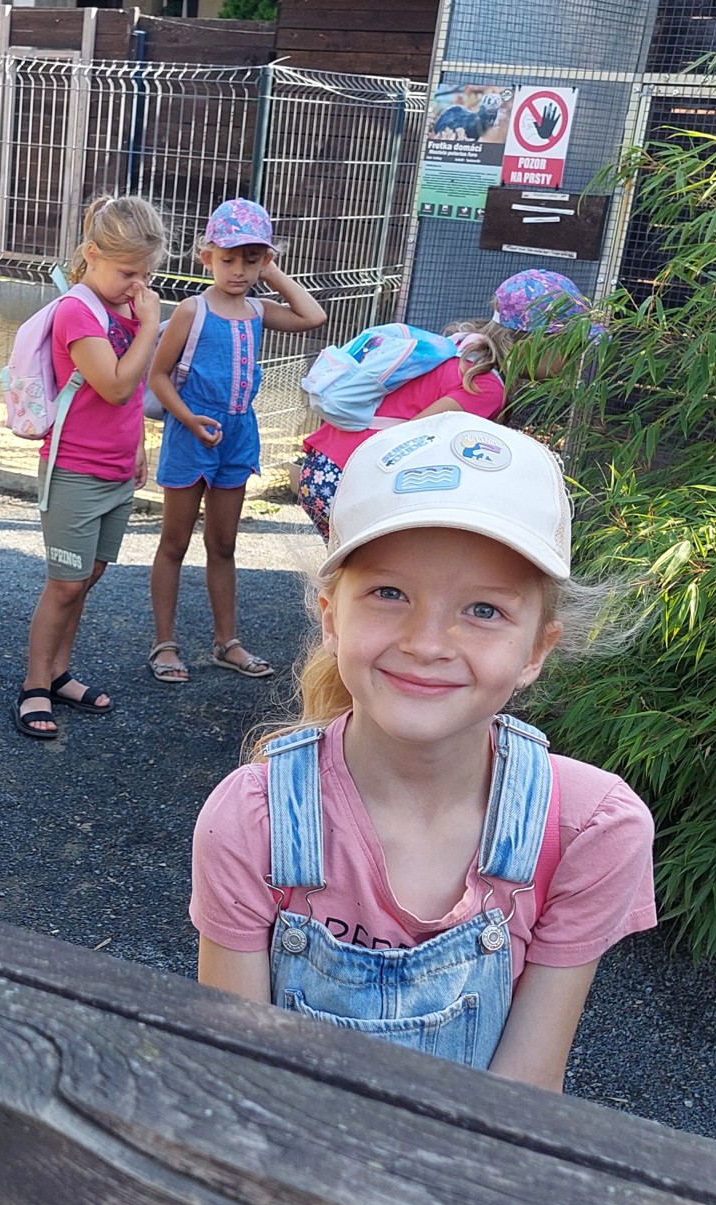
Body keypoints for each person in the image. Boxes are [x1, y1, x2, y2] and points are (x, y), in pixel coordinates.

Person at [188, 413, 655, 1090]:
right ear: (331, 618)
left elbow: (526, 1089)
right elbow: (233, 1079)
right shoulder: (250, 821)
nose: (427, 643)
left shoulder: (590, 829)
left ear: (536, 650)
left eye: (484, 610)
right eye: (389, 593)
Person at [145, 199, 328, 686]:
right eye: (228, 259)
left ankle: (227, 642)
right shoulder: (192, 310)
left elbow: (313, 316)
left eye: (252, 260)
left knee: (223, 543)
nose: (239, 270)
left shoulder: (258, 310)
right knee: (174, 542)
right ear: (207, 257)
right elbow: (159, 376)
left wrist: (274, 273)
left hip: (238, 436)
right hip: (190, 435)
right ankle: (164, 642)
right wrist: (188, 418)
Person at [16, 194, 169, 741]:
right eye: (128, 273)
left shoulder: (124, 307)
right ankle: (34, 684)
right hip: (75, 472)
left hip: (115, 470)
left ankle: (59, 674)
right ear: (92, 255)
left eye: (146, 274)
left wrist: (138, 446)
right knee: (65, 583)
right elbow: (116, 385)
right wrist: (150, 327)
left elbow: (127, 401)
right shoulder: (78, 312)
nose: (138, 285)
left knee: (89, 576)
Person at [296, 268, 596, 540]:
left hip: (327, 466)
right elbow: (410, 441)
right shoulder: (485, 386)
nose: (574, 360)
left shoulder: (464, 349)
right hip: (352, 479)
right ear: (535, 343)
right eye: (571, 348)